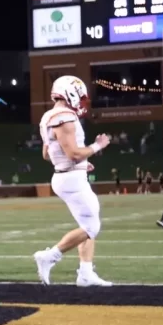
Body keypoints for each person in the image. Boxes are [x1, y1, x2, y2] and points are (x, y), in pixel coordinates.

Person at [33, 75, 114, 287]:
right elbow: (74, 153)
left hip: (66, 174)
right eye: (79, 95)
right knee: (91, 227)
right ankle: (50, 256)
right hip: (70, 179)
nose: (82, 100)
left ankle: (86, 274)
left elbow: (47, 154)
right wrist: (98, 146)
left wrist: (80, 164)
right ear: (70, 92)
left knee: (87, 223)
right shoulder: (64, 116)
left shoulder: (48, 116)